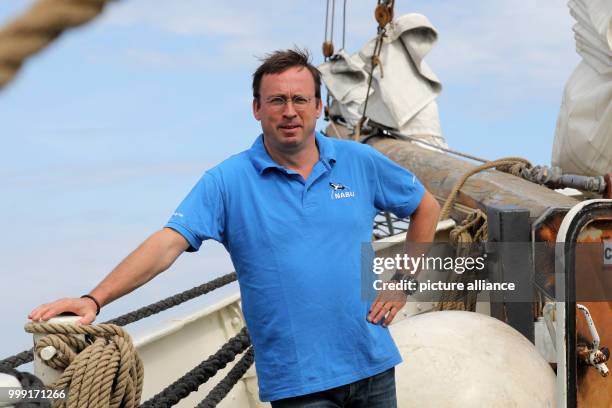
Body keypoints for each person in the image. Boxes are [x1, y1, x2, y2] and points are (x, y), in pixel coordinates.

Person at [29, 48, 440, 407]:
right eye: (276, 100)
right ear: (256, 109)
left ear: (318, 106)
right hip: (299, 385)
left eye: (300, 99)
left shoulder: (359, 162)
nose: (289, 111)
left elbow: (426, 206)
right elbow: (167, 244)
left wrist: (402, 281)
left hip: (372, 362)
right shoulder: (227, 181)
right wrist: (94, 299)